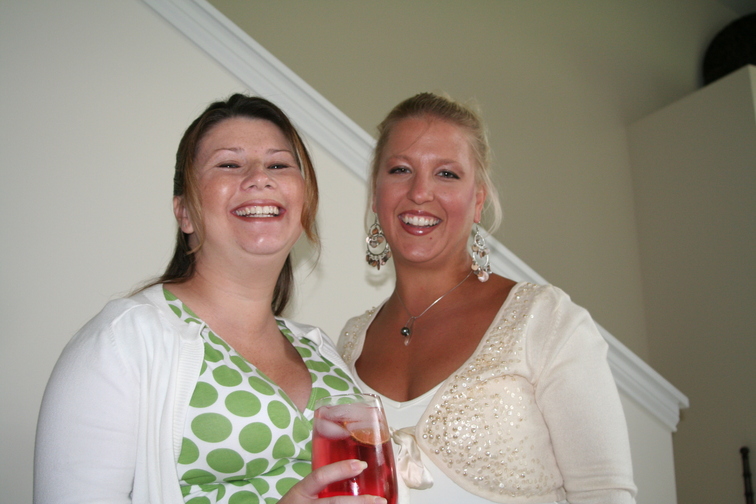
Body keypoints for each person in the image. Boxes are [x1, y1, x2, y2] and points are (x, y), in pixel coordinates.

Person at [34, 94, 385, 504]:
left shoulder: (321, 348)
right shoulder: (122, 341)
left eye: (278, 165)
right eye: (229, 164)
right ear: (184, 212)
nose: (259, 177)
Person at [338, 92, 638, 504]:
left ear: (477, 200)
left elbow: (605, 494)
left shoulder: (546, 321)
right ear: (376, 194)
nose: (420, 192)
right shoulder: (350, 341)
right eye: (401, 170)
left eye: (447, 174)